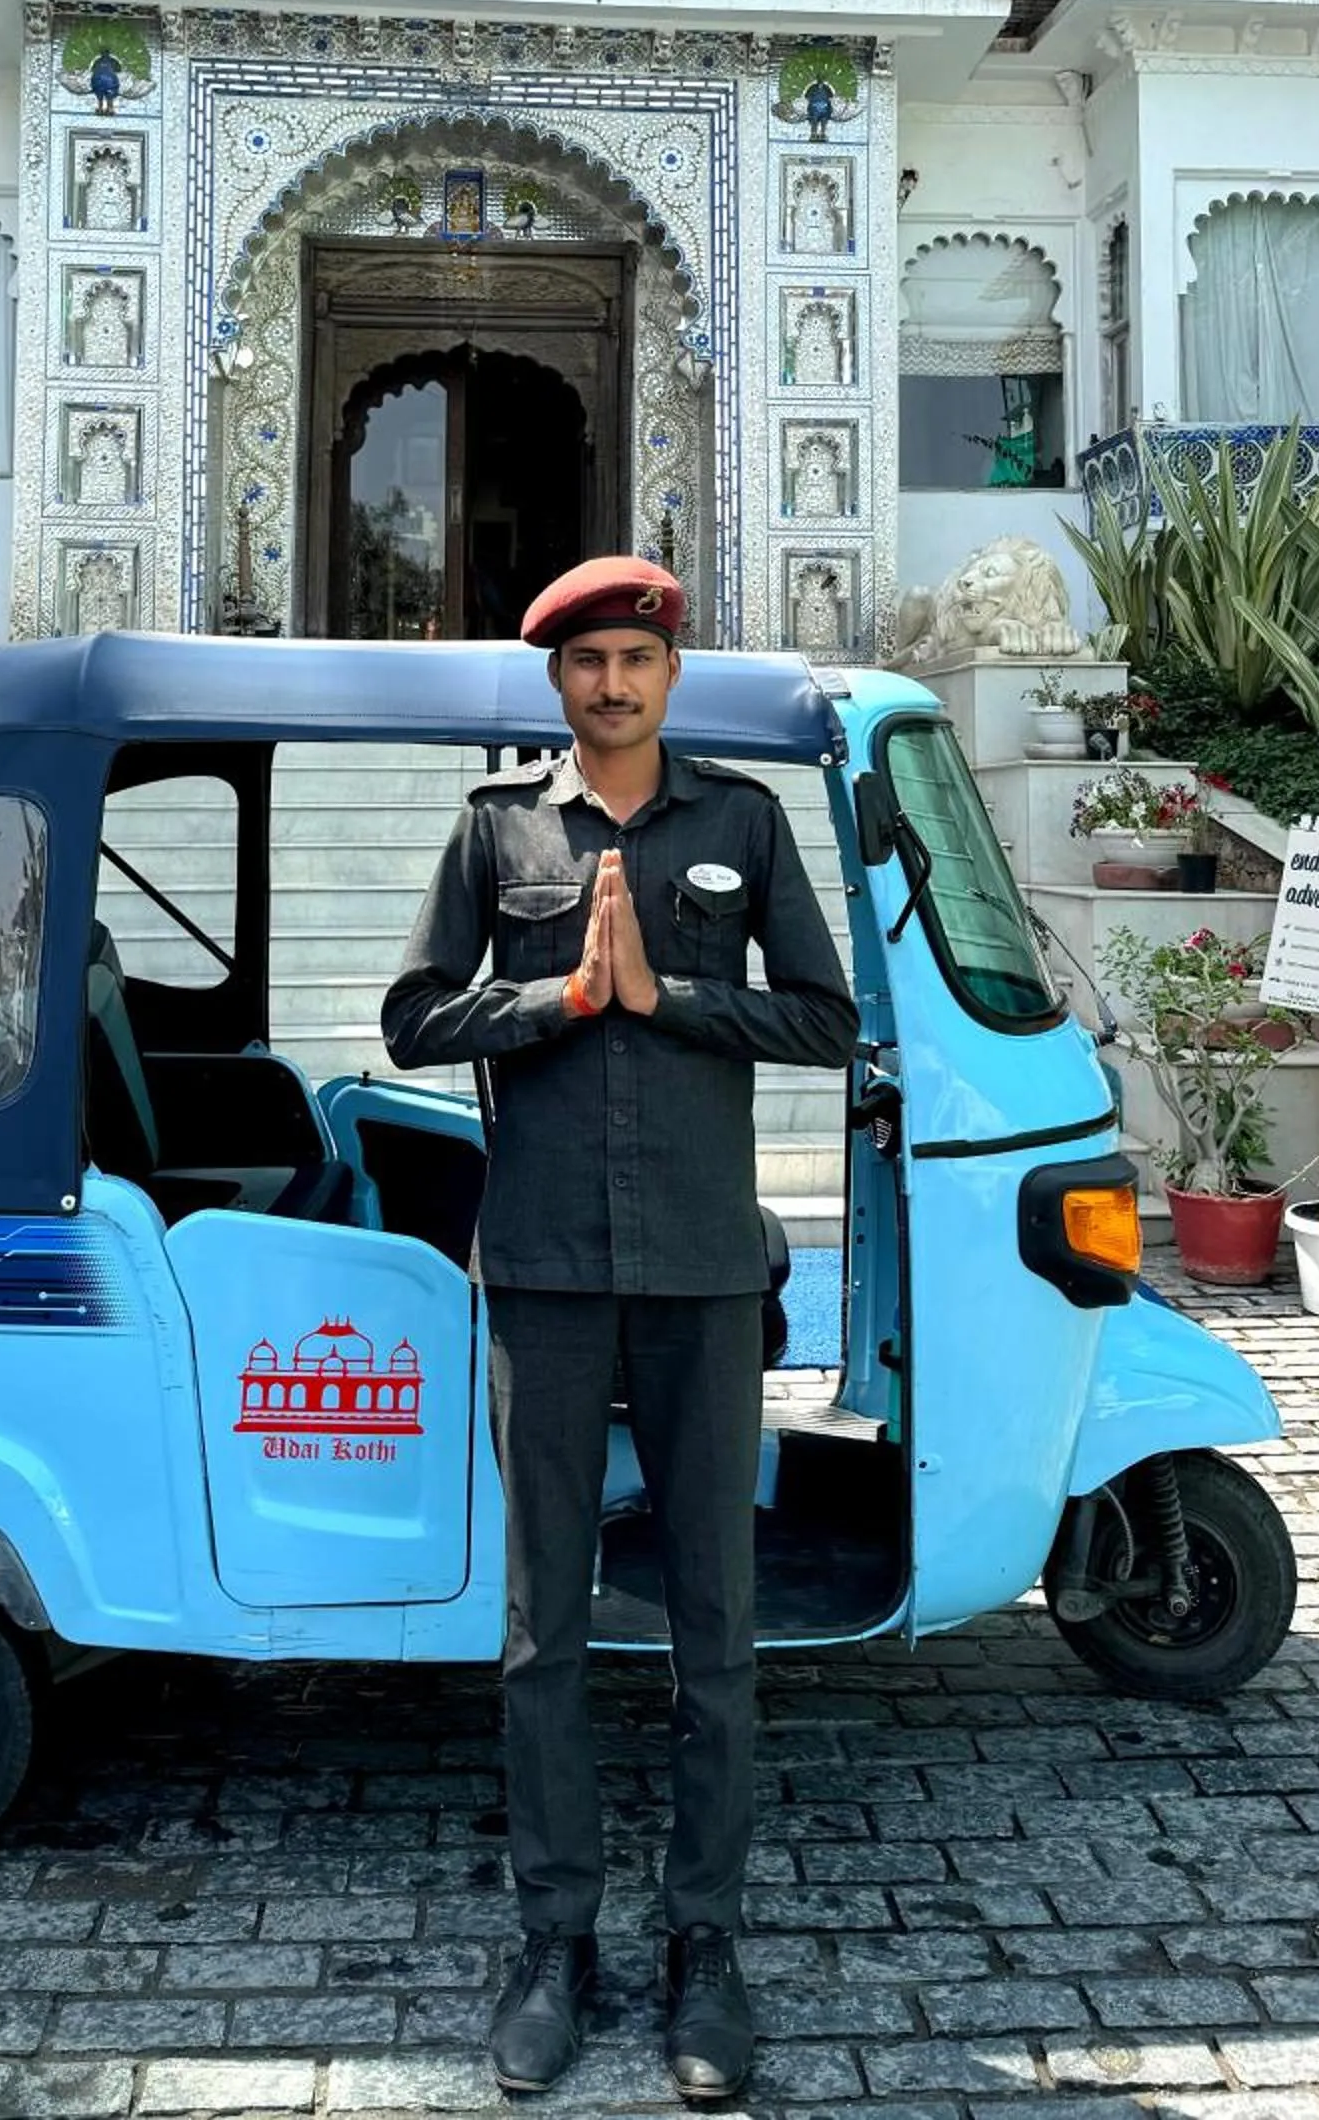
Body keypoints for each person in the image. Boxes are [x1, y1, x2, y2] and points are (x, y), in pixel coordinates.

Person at [382, 557, 858, 2102]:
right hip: (543, 1270)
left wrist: (664, 998)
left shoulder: (741, 823)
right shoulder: (497, 828)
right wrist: (560, 1003)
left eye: (634, 659)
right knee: (544, 1629)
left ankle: (701, 1944)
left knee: (716, 1627)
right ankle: (554, 1943)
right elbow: (411, 1017)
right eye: (585, 661)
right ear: (556, 682)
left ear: (670, 673)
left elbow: (825, 1017)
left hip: (704, 1275)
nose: (611, 682)